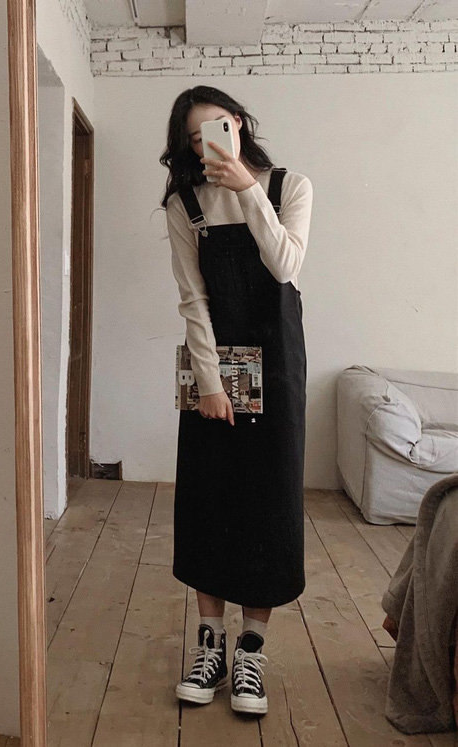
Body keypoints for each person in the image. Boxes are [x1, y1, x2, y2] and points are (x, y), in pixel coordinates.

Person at [159, 85, 313, 715]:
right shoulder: (185, 204)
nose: (209, 145)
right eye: (196, 139)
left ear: (240, 124)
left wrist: (249, 190)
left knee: (269, 501)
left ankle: (251, 651)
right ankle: (209, 644)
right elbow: (192, 298)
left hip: (277, 364)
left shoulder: (291, 188)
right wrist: (211, 382)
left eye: (219, 127)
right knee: (208, 497)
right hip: (212, 368)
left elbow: (285, 266)